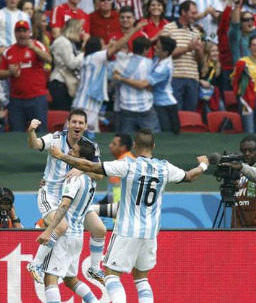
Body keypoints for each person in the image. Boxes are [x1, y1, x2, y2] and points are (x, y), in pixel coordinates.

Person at [49, 128, 210, 303]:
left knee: (111, 275)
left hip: (127, 229)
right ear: (153, 146)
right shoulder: (165, 167)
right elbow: (189, 176)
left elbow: (91, 166)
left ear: (134, 145)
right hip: (150, 233)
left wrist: (61, 155)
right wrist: (203, 164)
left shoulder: (128, 164)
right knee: (141, 278)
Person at [26, 110, 108, 285]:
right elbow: (35, 145)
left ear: (85, 126)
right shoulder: (55, 138)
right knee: (61, 226)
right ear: (68, 123)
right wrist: (31, 131)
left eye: (81, 123)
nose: (77, 126)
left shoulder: (90, 146)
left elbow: (100, 175)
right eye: (74, 122)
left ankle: (94, 268)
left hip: (74, 201)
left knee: (100, 230)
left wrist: (83, 168)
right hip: (52, 196)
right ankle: (35, 264)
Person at [37, 139, 101, 303]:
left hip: (65, 236)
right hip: (78, 235)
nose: (70, 150)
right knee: (70, 280)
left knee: (50, 278)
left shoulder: (73, 178)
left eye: (74, 150)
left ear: (80, 157)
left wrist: (50, 230)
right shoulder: (90, 179)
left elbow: (64, 205)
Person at [72, 22, 147, 134]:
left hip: (84, 104)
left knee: (85, 141)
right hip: (86, 106)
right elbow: (116, 47)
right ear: (97, 47)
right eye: (103, 44)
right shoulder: (96, 57)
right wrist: (134, 30)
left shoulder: (88, 58)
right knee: (76, 142)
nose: (106, 46)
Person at [115, 36, 180, 134]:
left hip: (165, 105)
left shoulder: (164, 68)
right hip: (155, 103)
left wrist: (121, 78)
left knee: (165, 138)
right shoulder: (156, 59)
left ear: (165, 52)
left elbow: (143, 84)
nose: (154, 48)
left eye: (158, 47)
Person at [0, 20, 51, 132]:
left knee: (40, 134)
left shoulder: (38, 45)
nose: (22, 34)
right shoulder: (9, 51)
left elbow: (49, 59)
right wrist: (9, 72)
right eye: (19, 31)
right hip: (17, 101)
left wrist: (34, 49)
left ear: (29, 32)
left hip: (37, 98)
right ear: (15, 33)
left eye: (24, 31)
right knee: (16, 134)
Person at [220, 135, 256, 228]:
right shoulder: (240, 167)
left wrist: (242, 168)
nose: (246, 154)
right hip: (239, 225)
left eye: (251, 151)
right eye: (243, 151)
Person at [159, 0, 202, 111]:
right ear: (183, 12)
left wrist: (198, 50)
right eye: (192, 13)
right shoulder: (168, 28)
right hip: (174, 77)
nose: (195, 16)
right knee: (176, 114)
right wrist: (188, 48)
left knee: (190, 115)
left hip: (193, 78)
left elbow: (199, 60)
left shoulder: (196, 32)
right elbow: (163, 54)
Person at [113, 37, 160, 133]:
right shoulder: (150, 63)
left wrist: (121, 78)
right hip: (144, 107)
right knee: (152, 141)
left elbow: (115, 78)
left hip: (126, 108)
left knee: (126, 143)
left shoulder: (122, 62)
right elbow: (149, 86)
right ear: (145, 50)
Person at [49, 19, 85, 111]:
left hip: (63, 82)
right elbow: (71, 64)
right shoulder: (63, 42)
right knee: (63, 114)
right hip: (60, 82)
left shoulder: (68, 42)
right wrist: (84, 53)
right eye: (80, 30)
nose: (82, 33)